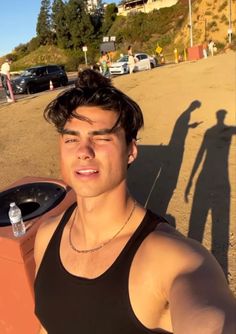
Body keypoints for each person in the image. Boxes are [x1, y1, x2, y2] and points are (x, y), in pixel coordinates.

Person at [34, 69, 236, 334]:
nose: (83, 151)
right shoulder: (46, 236)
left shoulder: (173, 260)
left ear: (131, 151)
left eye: (102, 138)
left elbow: (210, 318)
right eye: (72, 139)